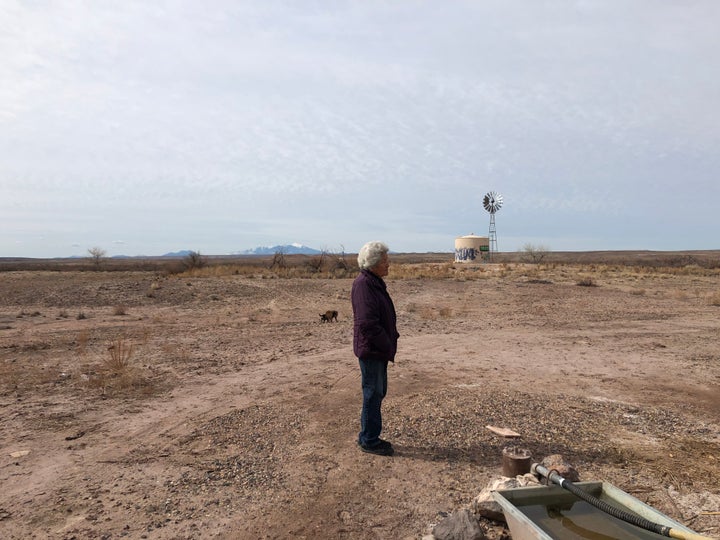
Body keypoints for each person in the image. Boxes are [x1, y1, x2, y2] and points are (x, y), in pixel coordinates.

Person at [351, 241, 400, 456]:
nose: (388, 264)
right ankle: (369, 440)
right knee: (372, 393)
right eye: (385, 261)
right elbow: (367, 323)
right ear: (373, 263)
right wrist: (386, 343)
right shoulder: (364, 284)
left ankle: (368, 436)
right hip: (372, 350)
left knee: (376, 393)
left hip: (376, 349)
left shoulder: (373, 281)